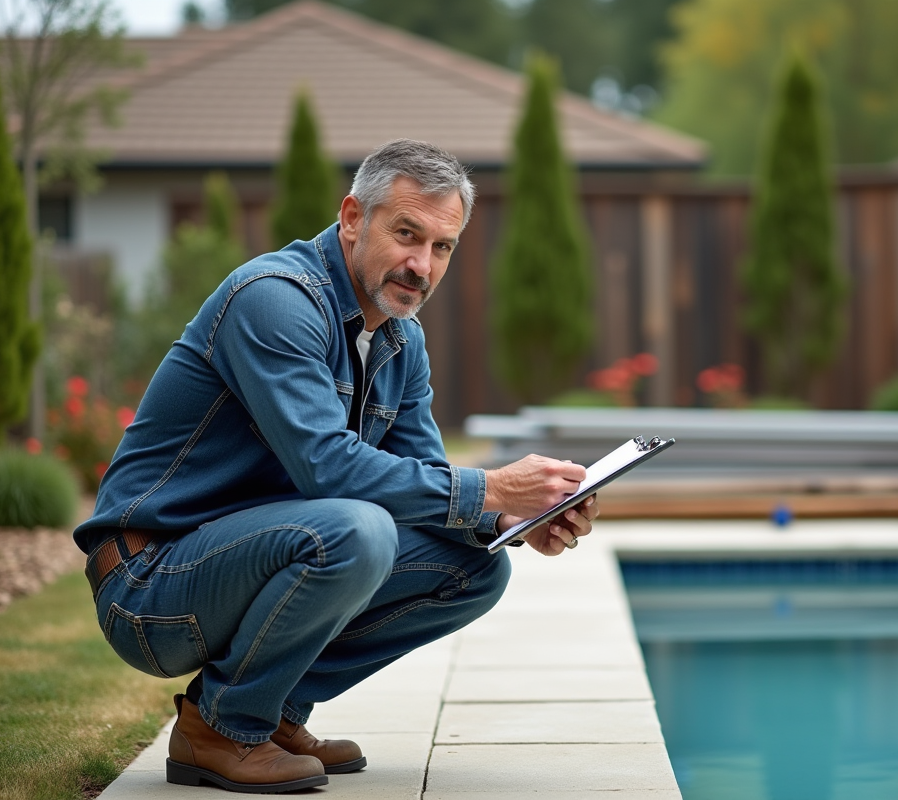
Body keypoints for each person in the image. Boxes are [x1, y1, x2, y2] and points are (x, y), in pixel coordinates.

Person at [74, 138, 598, 794]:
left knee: (475, 567)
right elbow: (327, 468)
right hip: (152, 586)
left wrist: (515, 517)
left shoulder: (402, 341)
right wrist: (491, 485)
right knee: (357, 530)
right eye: (407, 234)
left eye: (442, 247)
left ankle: (273, 712)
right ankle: (218, 728)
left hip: (249, 562)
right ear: (353, 218)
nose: (421, 264)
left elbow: (425, 485)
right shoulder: (274, 299)